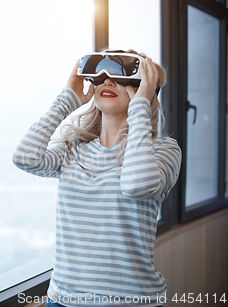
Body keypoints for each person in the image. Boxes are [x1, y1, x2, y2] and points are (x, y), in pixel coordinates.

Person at [12, 50, 182, 307]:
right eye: (100, 77)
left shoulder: (162, 151)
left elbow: (137, 186)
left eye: (123, 77)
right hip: (63, 301)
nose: (108, 82)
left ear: (145, 90)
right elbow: (24, 158)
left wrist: (140, 108)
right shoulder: (73, 149)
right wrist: (67, 99)